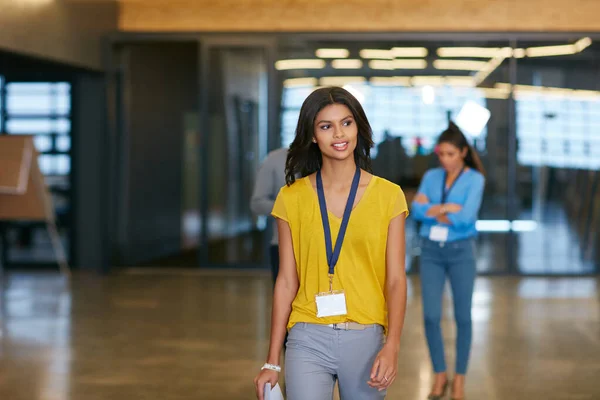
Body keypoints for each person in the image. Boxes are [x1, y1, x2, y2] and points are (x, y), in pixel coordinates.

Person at [253, 87, 409, 400]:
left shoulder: (389, 196)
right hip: (307, 335)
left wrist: (392, 346)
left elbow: (395, 279)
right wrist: (272, 360)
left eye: (346, 123)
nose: (339, 134)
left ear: (358, 128)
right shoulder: (291, 198)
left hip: (365, 337)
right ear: (312, 135)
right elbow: (285, 281)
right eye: (326, 126)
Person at [411, 122, 485, 400]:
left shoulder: (475, 179)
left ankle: (460, 380)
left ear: (463, 152)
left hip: (461, 251)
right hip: (431, 250)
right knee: (430, 315)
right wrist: (445, 209)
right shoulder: (431, 176)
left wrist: (432, 209)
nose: (445, 160)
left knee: (463, 317)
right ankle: (440, 374)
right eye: (442, 154)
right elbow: (416, 210)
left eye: (451, 154)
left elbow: (466, 218)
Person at [251, 147, 288, 284]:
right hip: (283, 245)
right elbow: (257, 203)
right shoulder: (275, 159)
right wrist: (291, 209)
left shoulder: (332, 157)